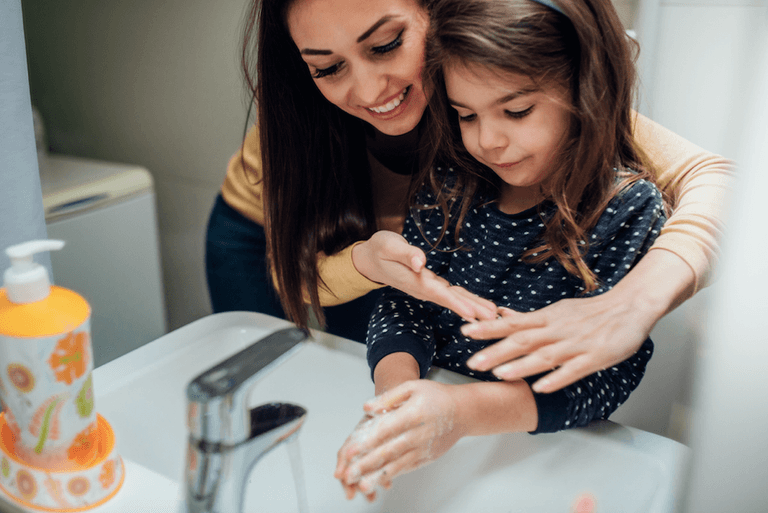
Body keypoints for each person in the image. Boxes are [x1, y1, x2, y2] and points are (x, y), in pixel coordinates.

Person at [205, 0, 732, 390]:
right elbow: (293, 279)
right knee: (288, 391)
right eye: (327, 68)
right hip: (271, 240)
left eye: (387, 44)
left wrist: (632, 304)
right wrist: (364, 264)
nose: (368, 92)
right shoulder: (302, 121)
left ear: (439, 13)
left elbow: (719, 182)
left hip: (393, 262)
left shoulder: (496, 85)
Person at [333, 0, 666, 499]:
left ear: (585, 87)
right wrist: (396, 396)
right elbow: (406, 304)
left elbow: (605, 377)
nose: (487, 141)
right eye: (466, 115)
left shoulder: (626, 209)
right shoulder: (451, 179)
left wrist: (459, 413)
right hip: (436, 427)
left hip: (544, 454)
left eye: (516, 111)